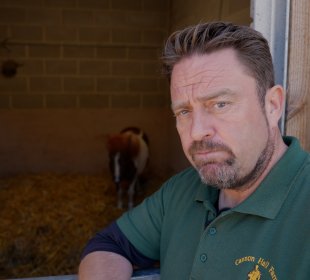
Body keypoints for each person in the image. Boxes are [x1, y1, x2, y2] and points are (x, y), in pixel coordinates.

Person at [79, 22, 310, 279]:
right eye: (184, 111)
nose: (197, 131)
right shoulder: (181, 192)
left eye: (220, 104)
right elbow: (109, 245)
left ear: (272, 106)